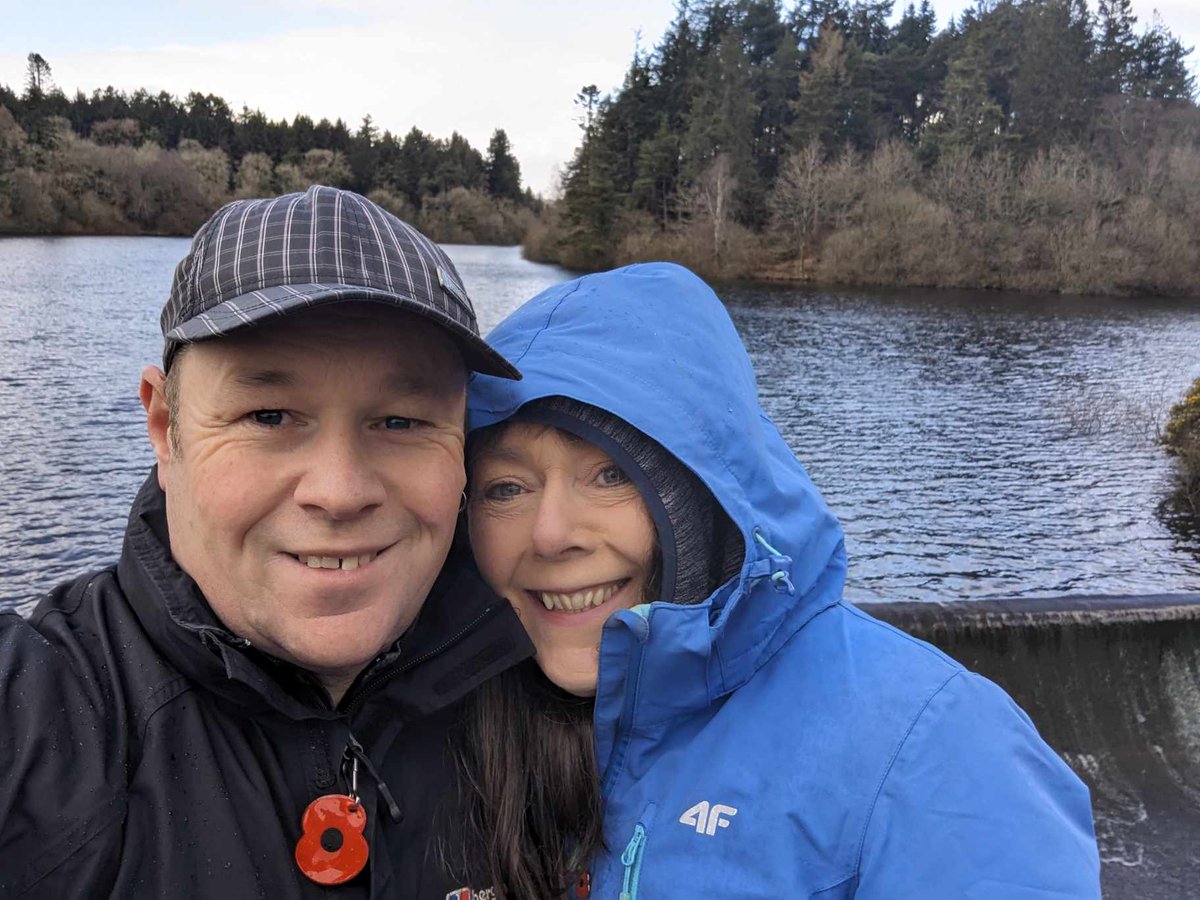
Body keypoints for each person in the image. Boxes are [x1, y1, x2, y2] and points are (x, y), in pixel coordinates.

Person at [456, 262, 1101, 897]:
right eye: (506, 487)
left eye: (611, 476)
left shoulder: (937, 747)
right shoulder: (456, 719)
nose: (550, 533)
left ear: (700, 497)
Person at [0, 185, 533, 898]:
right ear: (166, 429)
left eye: (402, 421)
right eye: (270, 414)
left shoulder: (547, 687)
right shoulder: (41, 719)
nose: (340, 492)